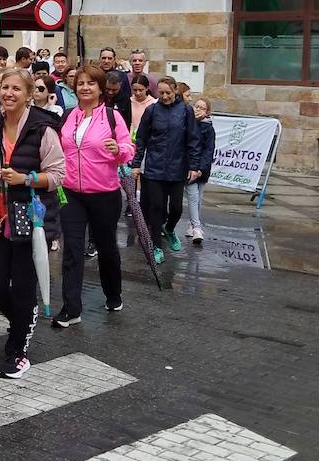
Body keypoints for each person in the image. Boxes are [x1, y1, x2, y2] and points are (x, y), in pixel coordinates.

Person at [0, 68, 64, 379]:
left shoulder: (42, 129)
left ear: (27, 95)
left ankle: (17, 350)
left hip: (30, 221)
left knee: (23, 287)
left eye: (16, 89)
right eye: (4, 87)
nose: (8, 93)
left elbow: (59, 175)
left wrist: (28, 178)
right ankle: (23, 318)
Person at [56, 64, 134, 325]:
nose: (85, 87)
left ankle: (113, 293)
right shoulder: (67, 116)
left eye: (91, 83)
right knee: (73, 250)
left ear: (101, 88)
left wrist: (118, 150)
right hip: (71, 193)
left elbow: (128, 149)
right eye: (80, 83)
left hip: (104, 193)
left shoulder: (112, 117)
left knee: (106, 247)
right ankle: (71, 309)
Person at [132, 77, 202, 265]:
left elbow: (193, 139)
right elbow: (141, 139)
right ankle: (156, 245)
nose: (164, 96)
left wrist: (194, 166)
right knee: (156, 208)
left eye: (168, 93)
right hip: (154, 168)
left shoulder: (185, 111)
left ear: (175, 91)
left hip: (178, 167)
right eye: (161, 93)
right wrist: (136, 164)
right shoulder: (152, 111)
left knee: (177, 208)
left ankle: (169, 229)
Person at [186, 97, 217, 246]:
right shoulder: (189, 124)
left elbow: (208, 150)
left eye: (202, 108)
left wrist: (201, 169)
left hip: (202, 169)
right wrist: (193, 167)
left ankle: (193, 225)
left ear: (208, 112)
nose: (197, 110)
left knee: (199, 197)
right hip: (190, 168)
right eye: (196, 106)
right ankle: (197, 228)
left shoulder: (209, 128)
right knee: (192, 197)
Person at [97, 47, 131, 119]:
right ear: (99, 59)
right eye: (104, 58)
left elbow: (127, 96)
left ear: (114, 60)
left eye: (109, 58)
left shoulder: (123, 76)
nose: (106, 61)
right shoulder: (94, 75)